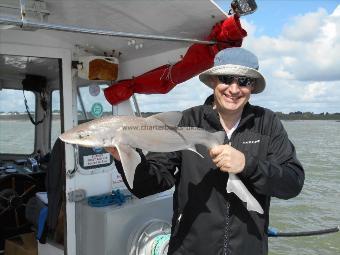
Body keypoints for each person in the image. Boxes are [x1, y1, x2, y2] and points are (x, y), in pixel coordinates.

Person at [106, 47, 305, 255]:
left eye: (244, 81)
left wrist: (249, 165)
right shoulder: (187, 121)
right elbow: (148, 186)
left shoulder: (268, 123)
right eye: (226, 78)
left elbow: (293, 183)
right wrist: (125, 157)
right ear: (213, 81)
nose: (234, 89)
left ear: (253, 87)